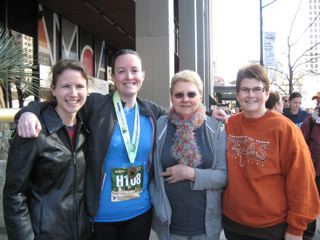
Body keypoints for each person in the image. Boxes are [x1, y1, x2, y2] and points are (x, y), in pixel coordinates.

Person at [14, 49, 227, 240]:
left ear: (143, 75)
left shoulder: (152, 112)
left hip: (140, 212)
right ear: (113, 76)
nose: (129, 76)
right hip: (101, 215)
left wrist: (210, 113)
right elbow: (63, 101)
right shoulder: (96, 105)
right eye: (122, 71)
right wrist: (28, 112)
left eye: (134, 70)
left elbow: (185, 110)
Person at [222, 64, 320, 240]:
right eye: (245, 89)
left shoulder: (285, 129)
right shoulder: (229, 125)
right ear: (237, 94)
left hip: (271, 227)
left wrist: (296, 228)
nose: (251, 95)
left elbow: (302, 180)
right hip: (232, 224)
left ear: (266, 94)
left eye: (257, 89)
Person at [3, 59, 91, 240]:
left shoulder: (86, 127)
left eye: (80, 86)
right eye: (66, 86)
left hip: (82, 232)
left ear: (87, 90)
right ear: (53, 90)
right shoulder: (33, 131)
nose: (73, 93)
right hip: (44, 233)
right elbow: (14, 194)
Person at [150, 70, 227, 240]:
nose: (185, 99)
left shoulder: (216, 128)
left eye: (191, 94)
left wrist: (190, 173)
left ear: (200, 96)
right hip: (168, 225)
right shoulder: (159, 125)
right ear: (171, 97)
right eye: (179, 94)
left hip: (205, 228)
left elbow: (224, 175)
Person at [300, 92, 320, 240]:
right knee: (311, 202)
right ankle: (308, 233)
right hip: (314, 171)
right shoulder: (311, 121)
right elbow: (300, 145)